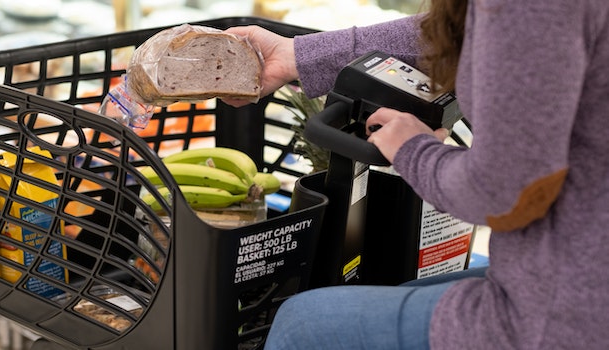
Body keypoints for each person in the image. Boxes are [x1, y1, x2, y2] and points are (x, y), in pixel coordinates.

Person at [223, 0, 609, 349]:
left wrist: (415, 151)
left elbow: (506, 193)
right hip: (566, 270)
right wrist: (298, 54)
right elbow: (473, 30)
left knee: (301, 325)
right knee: (399, 292)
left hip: (568, 311)